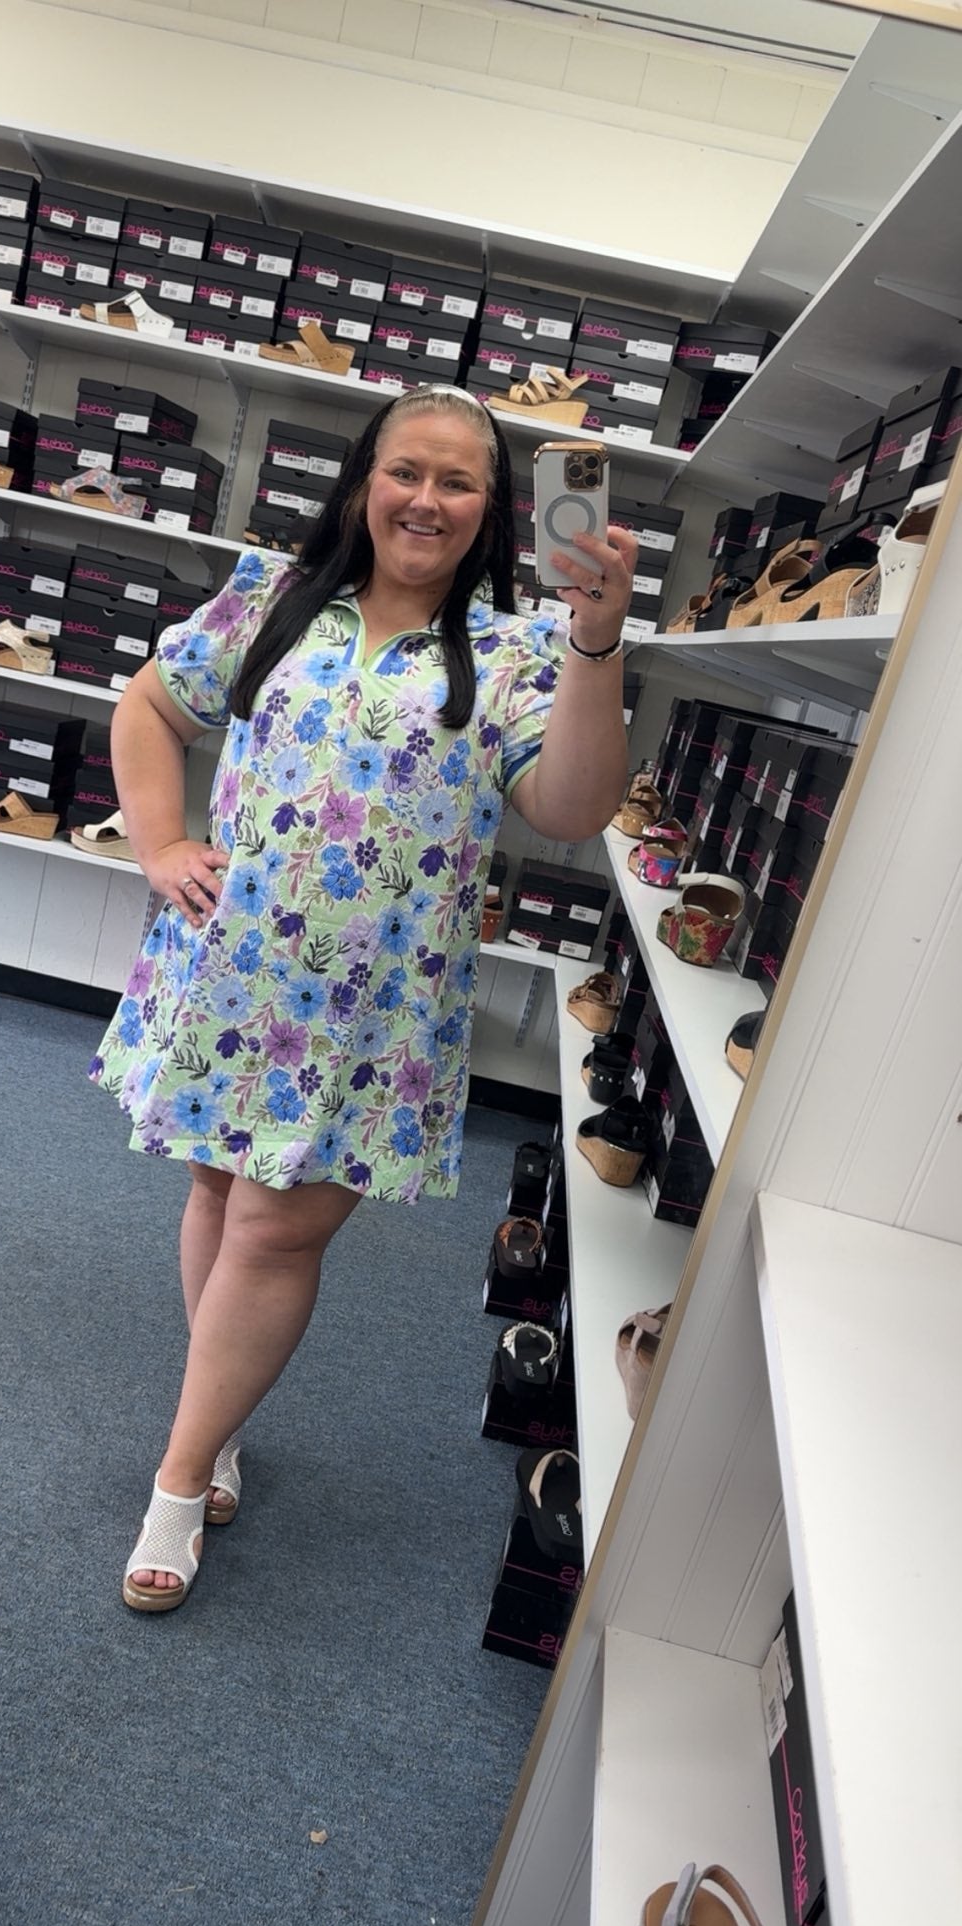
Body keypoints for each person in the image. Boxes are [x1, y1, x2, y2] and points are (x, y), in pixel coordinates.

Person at [89, 384, 638, 1611]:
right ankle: (217, 1425)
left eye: (458, 481)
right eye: (407, 471)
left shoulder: (518, 651)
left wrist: (598, 642)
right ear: (363, 481)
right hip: (232, 972)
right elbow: (150, 705)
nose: (426, 500)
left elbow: (571, 807)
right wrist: (161, 843)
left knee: (276, 1230)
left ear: (494, 508)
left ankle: (178, 1479)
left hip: (370, 1011)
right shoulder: (273, 598)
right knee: (219, 1194)